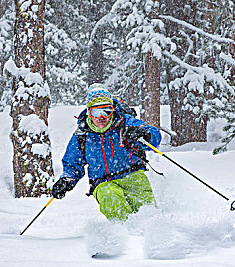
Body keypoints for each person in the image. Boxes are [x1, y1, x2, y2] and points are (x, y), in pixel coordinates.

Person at [51, 83, 162, 222]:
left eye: (106, 111)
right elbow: (73, 164)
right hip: (103, 182)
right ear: (89, 113)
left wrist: (144, 134)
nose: (101, 117)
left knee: (148, 215)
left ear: (112, 109)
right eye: (96, 112)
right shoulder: (82, 135)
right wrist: (67, 180)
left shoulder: (125, 123)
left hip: (134, 176)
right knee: (109, 197)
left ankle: (153, 235)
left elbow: (154, 134)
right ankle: (126, 233)